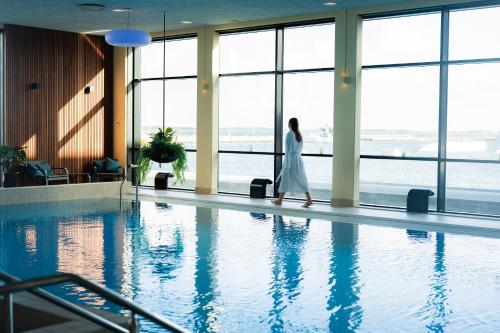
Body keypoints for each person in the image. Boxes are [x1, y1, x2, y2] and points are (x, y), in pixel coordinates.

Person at [272, 118, 313, 208]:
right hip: (298, 159)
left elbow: (288, 150)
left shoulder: (290, 134)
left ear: (290, 123)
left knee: (286, 179)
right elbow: (300, 149)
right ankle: (308, 199)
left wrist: (287, 164)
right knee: (301, 179)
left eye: (288, 122)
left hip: (291, 160)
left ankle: (279, 200)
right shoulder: (299, 135)